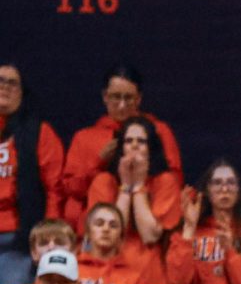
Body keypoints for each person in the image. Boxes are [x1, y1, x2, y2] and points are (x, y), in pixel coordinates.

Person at [61, 63, 182, 231]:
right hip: (100, 230)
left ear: (139, 98)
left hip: (150, 222)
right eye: (116, 97)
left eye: (129, 97)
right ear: (105, 96)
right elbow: (72, 190)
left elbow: (174, 183)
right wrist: (99, 162)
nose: (122, 105)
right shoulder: (85, 138)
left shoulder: (158, 131)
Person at [0, 64, 64, 284]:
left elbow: (54, 189)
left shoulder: (40, 132)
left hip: (18, 241)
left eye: (12, 82)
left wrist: (48, 237)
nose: (4, 86)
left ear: (21, 92)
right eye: (0, 80)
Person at [87, 116, 181, 260]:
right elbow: (114, 235)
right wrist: (125, 186)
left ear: (151, 148)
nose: (134, 145)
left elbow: (149, 235)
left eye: (141, 141)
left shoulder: (165, 181)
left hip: (150, 266)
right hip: (112, 264)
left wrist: (138, 186)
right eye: (128, 141)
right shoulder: (103, 181)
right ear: (121, 148)